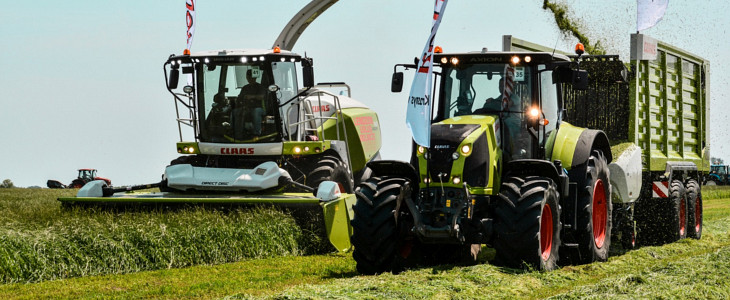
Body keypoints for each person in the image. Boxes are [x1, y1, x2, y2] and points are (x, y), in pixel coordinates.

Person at [232, 69, 266, 138]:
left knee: (256, 112)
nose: (250, 78)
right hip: (247, 108)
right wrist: (236, 100)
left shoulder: (260, 87)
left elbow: (262, 97)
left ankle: (256, 133)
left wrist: (252, 97)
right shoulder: (245, 88)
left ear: (255, 77)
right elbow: (240, 98)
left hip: (260, 108)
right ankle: (235, 132)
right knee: (235, 112)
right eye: (248, 77)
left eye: (251, 77)